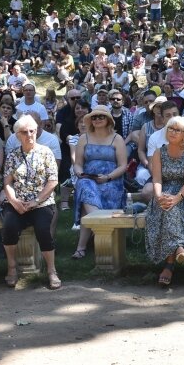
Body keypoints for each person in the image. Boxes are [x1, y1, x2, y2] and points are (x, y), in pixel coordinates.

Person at [2, 114, 61, 290]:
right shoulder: (13, 155)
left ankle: (51, 271)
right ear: (17, 135)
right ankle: (12, 268)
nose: (29, 135)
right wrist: (13, 200)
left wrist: (36, 201)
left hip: (41, 202)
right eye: (25, 132)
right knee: (9, 226)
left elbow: (53, 181)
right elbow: (7, 182)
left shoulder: (46, 152)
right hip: (17, 202)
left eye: (32, 131)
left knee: (43, 229)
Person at [146, 116, 184, 286]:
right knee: (165, 207)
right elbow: (157, 179)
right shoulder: (158, 152)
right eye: (170, 128)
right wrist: (159, 196)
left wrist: (177, 198)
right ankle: (178, 248)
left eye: (178, 130)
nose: (173, 132)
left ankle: (169, 265)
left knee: (171, 209)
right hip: (164, 191)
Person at [71, 105, 128, 259]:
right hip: (89, 178)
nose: (97, 119)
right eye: (94, 117)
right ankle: (101, 234)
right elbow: (78, 163)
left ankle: (82, 247)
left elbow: (123, 165)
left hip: (112, 181)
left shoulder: (117, 139)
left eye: (101, 117)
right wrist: (79, 172)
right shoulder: (84, 138)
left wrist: (108, 177)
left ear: (108, 120)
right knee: (84, 185)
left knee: (86, 206)